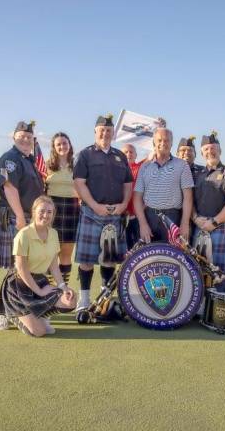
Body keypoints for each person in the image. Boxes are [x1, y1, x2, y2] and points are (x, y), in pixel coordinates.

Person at [73, 114, 133, 309]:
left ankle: (104, 299)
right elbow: (79, 184)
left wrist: (124, 205)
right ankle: (84, 299)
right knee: (86, 260)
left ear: (113, 133)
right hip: (92, 212)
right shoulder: (85, 155)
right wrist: (94, 205)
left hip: (115, 213)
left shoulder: (120, 155)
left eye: (108, 130)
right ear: (95, 132)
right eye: (102, 130)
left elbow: (128, 183)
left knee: (109, 261)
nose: (105, 133)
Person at [0, 196, 77, 336]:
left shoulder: (53, 234)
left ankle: (40, 316)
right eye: (41, 211)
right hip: (19, 285)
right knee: (39, 332)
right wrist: (39, 292)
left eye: (49, 212)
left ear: (53, 214)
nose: (45, 215)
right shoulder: (23, 235)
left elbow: (53, 265)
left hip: (40, 280)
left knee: (70, 300)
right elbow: (22, 269)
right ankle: (5, 310)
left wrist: (63, 287)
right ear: (34, 212)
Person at [0, 120, 44, 269]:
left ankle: (23, 292)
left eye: (29, 137)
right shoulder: (10, 158)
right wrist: (20, 216)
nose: (26, 140)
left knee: (28, 265)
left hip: (28, 216)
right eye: (21, 136)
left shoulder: (28, 160)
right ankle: (12, 293)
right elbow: (9, 187)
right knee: (17, 267)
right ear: (14, 138)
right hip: (16, 217)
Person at [191, 131, 225, 272]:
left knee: (222, 274)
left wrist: (214, 222)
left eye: (213, 148)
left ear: (219, 150)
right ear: (202, 153)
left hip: (221, 227)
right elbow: (190, 201)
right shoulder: (197, 175)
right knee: (198, 272)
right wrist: (195, 218)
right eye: (206, 149)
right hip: (200, 226)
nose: (210, 151)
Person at [133, 127, 194, 243]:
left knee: (172, 259)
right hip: (149, 218)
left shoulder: (182, 165)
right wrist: (142, 224)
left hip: (174, 218)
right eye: (159, 140)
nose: (163, 143)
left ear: (171, 144)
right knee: (149, 259)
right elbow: (137, 198)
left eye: (166, 140)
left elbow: (188, 197)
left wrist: (184, 223)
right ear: (154, 143)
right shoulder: (145, 166)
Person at [45, 132, 79, 284]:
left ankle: (62, 291)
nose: (62, 146)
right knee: (51, 253)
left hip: (72, 209)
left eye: (64, 143)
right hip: (51, 211)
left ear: (69, 145)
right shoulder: (46, 165)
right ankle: (50, 291)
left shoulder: (77, 164)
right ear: (54, 147)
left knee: (66, 254)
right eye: (58, 144)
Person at [120, 143, 145, 249]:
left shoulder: (140, 167)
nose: (128, 154)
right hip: (120, 216)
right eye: (125, 152)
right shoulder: (115, 170)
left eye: (131, 152)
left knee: (138, 247)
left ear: (136, 155)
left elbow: (152, 156)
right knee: (122, 248)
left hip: (137, 217)